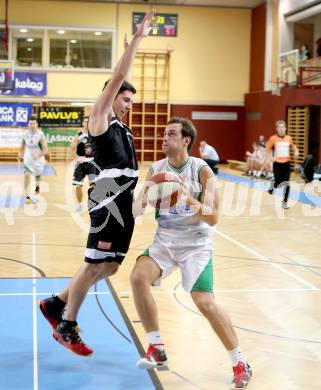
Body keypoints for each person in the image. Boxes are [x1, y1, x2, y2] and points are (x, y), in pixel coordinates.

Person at [38, 7, 156, 356]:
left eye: (132, 100)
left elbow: (122, 79)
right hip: (107, 197)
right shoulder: (100, 118)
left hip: (124, 199)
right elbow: (119, 74)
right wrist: (136, 41)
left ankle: (56, 303)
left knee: (111, 265)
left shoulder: (123, 127)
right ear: (110, 95)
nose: (129, 104)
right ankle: (66, 324)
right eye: (124, 97)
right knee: (94, 263)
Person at [131, 117, 252, 389]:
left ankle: (240, 361)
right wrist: (142, 200)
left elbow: (213, 218)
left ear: (186, 140)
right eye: (163, 134)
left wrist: (187, 198)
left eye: (171, 134)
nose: (164, 138)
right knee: (138, 277)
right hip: (165, 241)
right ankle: (156, 348)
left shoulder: (202, 171)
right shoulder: (156, 169)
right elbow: (137, 209)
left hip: (196, 244)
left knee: (204, 302)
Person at [266, 120, 299, 209]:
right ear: (277, 129)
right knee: (279, 183)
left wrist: (296, 152)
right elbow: (267, 150)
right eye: (279, 127)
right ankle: (273, 185)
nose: (281, 129)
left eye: (282, 127)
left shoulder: (288, 138)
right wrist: (269, 159)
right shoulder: (273, 138)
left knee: (287, 183)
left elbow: (294, 147)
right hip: (277, 164)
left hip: (286, 164)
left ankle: (284, 202)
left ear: (285, 128)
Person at [18, 116, 48, 204]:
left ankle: (37, 186)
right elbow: (22, 147)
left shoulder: (40, 135)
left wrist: (38, 154)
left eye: (34, 123)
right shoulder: (25, 135)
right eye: (30, 123)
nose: (32, 125)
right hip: (28, 158)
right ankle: (27, 196)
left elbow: (45, 149)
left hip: (38, 159)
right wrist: (21, 154)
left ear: (37, 124)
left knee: (37, 176)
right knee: (26, 175)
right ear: (28, 124)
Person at [70, 116, 96, 212]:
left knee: (94, 185)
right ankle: (80, 204)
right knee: (78, 186)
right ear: (83, 123)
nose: (88, 123)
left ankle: (93, 204)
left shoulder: (95, 135)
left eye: (89, 121)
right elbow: (71, 148)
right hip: (80, 164)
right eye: (86, 121)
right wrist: (77, 157)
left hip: (92, 163)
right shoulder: (79, 135)